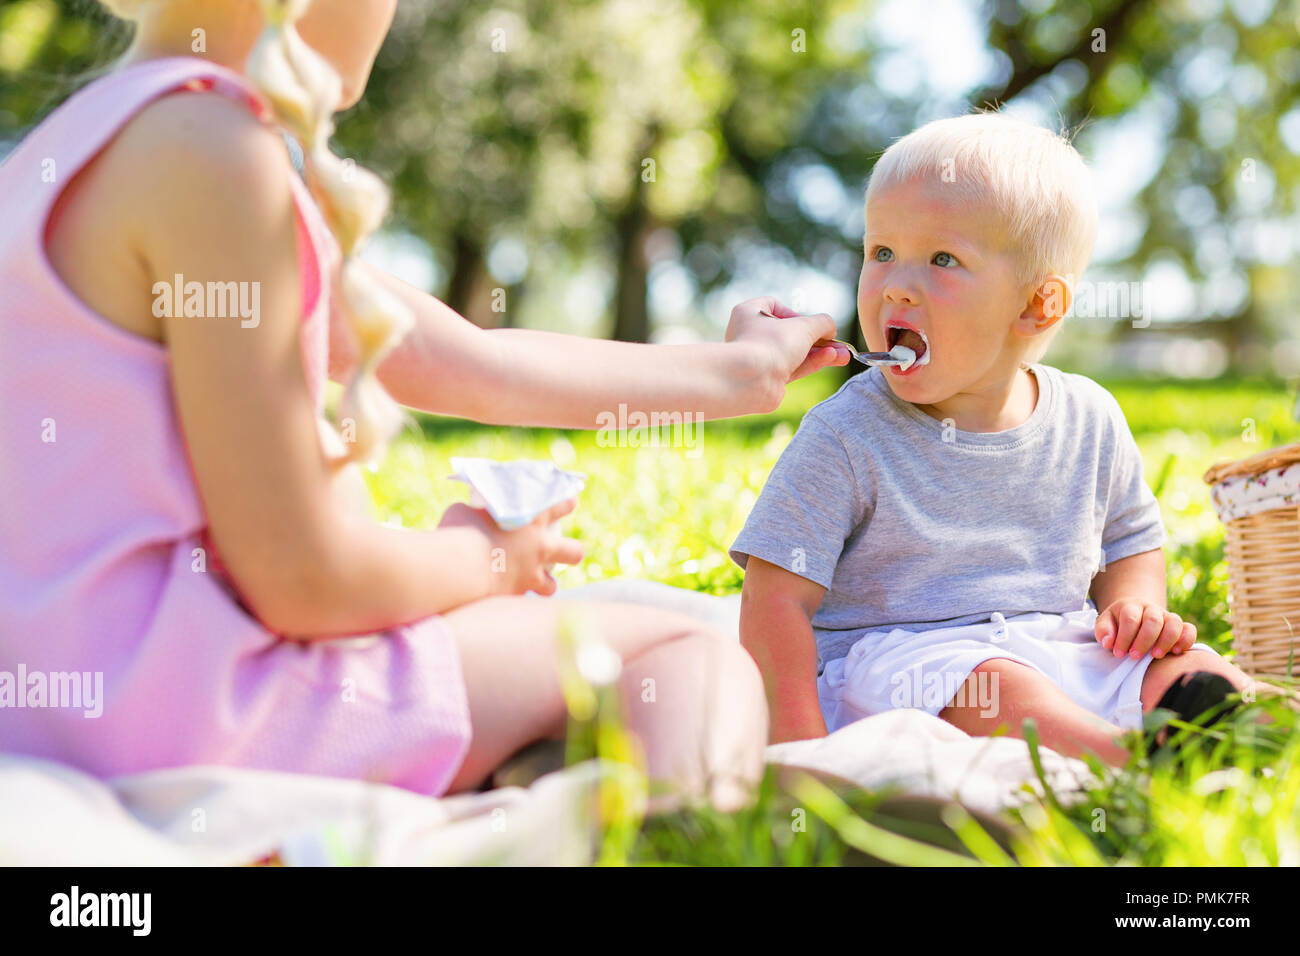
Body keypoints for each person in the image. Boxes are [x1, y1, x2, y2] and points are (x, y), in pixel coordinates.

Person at [0, 0, 850, 811]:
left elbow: (476, 364)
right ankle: (669, 840)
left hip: (48, 715)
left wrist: (743, 373)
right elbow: (306, 581)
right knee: (685, 651)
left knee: (564, 676)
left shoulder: (79, 151)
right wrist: (485, 557)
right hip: (188, 720)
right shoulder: (215, 157)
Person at [732, 111, 1254, 765]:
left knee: (1191, 665)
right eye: (881, 252)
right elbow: (774, 595)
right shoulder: (846, 434)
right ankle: (1127, 761)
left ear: (1038, 306)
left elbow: (1129, 541)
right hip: (903, 663)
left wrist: (1134, 609)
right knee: (996, 688)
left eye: (942, 259)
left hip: (1059, 642)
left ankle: (1242, 723)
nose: (895, 284)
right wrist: (796, 740)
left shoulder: (1090, 419)